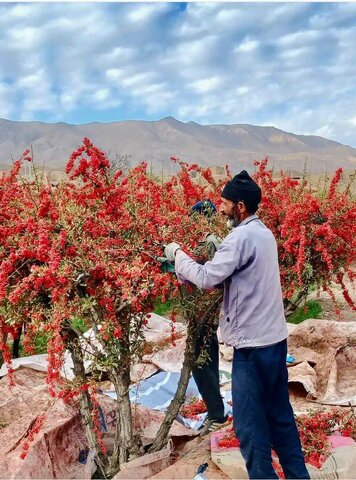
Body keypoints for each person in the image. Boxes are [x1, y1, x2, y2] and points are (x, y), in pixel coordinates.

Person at [164, 171, 310, 480]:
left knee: (249, 427)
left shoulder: (240, 237)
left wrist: (177, 254)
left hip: (253, 349)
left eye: (225, 202)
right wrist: (219, 256)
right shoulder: (264, 233)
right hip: (274, 340)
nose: (220, 208)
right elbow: (241, 274)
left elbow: (205, 278)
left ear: (240, 206)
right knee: (280, 417)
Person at [190, 200, 229, 436]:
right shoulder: (205, 240)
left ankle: (216, 414)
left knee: (203, 362)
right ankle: (215, 412)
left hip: (205, 313)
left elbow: (214, 278)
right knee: (205, 360)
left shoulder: (212, 242)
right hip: (199, 312)